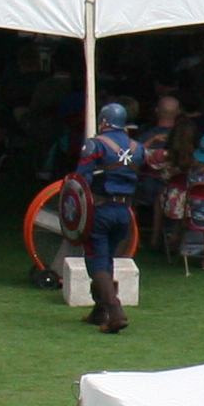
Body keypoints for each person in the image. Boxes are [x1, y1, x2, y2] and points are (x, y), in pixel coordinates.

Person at [75, 100, 142, 332]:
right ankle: (100, 311)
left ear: (103, 121)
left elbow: (81, 181)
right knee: (108, 259)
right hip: (124, 211)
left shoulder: (96, 145)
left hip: (101, 210)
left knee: (97, 262)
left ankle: (115, 312)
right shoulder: (137, 148)